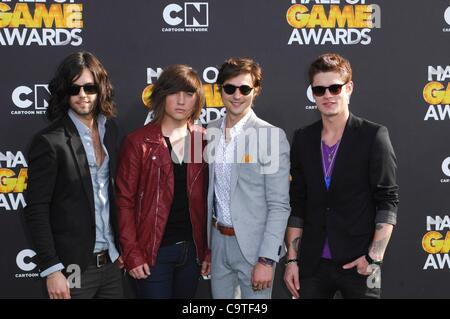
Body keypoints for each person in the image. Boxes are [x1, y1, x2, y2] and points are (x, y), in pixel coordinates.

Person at [284, 53, 399, 299]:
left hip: (360, 263)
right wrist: (291, 261)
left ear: (349, 88)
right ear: (312, 93)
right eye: (319, 90)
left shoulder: (373, 135)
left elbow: (387, 199)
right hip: (312, 264)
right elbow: (298, 204)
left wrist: (374, 258)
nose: (327, 95)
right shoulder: (303, 139)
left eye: (335, 88)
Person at [24, 51, 123, 299]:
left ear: (100, 89)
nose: (82, 95)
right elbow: (36, 209)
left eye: (89, 87)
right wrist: (52, 269)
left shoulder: (110, 130)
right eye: (74, 88)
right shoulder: (49, 142)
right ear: (64, 92)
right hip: (72, 269)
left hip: (111, 264)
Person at [116, 64, 210, 299]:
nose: (181, 101)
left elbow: (212, 201)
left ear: (196, 100)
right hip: (153, 255)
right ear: (161, 96)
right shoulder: (138, 142)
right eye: (174, 93)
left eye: (189, 94)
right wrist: (132, 253)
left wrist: (208, 251)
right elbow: (124, 202)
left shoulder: (203, 140)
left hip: (192, 254)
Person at [206, 57, 290, 299]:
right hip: (218, 243)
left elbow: (279, 205)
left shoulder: (271, 136)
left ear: (256, 91)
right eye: (230, 88)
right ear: (219, 89)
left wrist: (267, 258)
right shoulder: (210, 131)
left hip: (255, 249)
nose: (237, 95)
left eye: (244, 89)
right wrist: (208, 246)